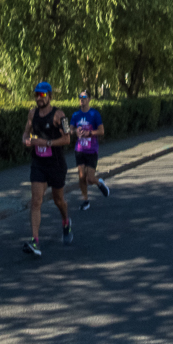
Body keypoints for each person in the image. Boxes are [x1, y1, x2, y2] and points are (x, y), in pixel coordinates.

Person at [21, 81, 73, 256]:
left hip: (56, 165)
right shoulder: (32, 114)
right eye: (36, 94)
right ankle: (35, 241)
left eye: (42, 95)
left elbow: (67, 139)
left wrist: (47, 142)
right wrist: (26, 140)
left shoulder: (60, 115)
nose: (39, 98)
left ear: (50, 96)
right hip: (39, 164)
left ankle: (66, 221)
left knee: (59, 200)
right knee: (36, 201)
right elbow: (26, 132)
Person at [70, 91, 111, 209]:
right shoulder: (75, 115)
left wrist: (90, 133)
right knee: (81, 176)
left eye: (84, 97)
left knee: (90, 178)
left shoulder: (94, 114)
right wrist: (75, 132)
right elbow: (70, 130)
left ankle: (99, 182)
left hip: (91, 149)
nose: (81, 99)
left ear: (89, 99)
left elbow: (102, 131)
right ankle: (85, 200)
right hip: (79, 149)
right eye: (80, 97)